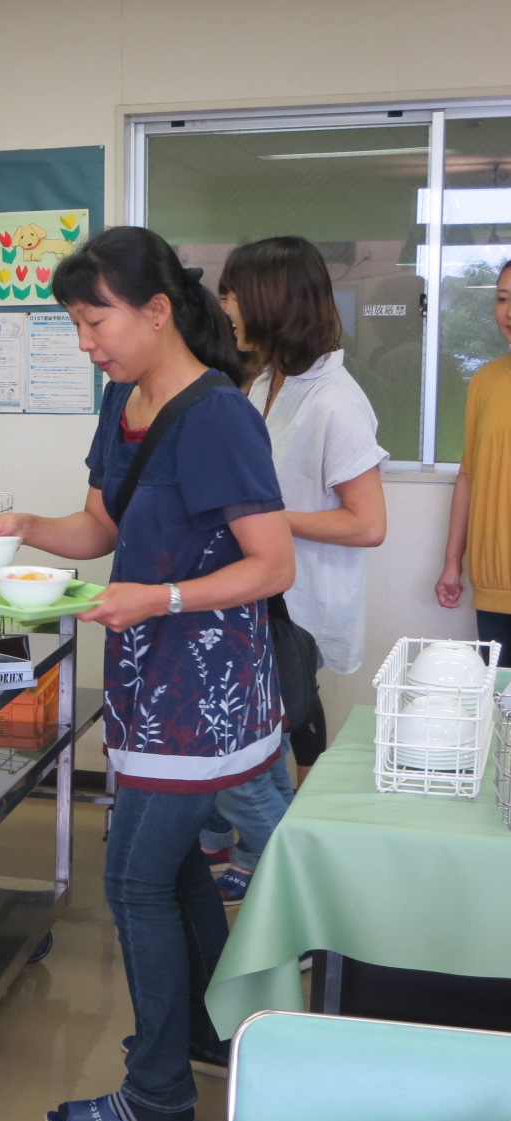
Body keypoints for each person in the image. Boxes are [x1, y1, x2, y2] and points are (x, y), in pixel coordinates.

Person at [0, 226, 294, 1121]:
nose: (86, 342)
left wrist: (167, 595)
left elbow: (273, 565)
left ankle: (157, 1103)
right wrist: (26, 526)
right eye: (74, 324)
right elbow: (101, 528)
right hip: (149, 686)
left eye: (94, 320)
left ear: (158, 310)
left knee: (134, 882)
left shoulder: (220, 414)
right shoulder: (124, 402)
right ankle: (202, 1037)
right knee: (178, 868)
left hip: (205, 697)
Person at [197, 237, 389, 903]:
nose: (225, 306)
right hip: (264, 592)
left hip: (299, 603)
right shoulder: (265, 380)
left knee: (266, 738)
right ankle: (245, 842)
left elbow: (368, 523)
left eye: (234, 293)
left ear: (270, 301)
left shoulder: (335, 399)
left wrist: (269, 520)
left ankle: (279, 862)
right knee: (255, 734)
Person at [437, 259, 511, 649]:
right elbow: (469, 474)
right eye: (502, 298)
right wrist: (453, 562)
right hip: (493, 583)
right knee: (498, 703)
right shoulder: (484, 380)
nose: (509, 311)